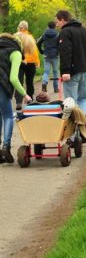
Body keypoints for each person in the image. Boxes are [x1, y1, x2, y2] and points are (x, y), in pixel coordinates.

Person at [55, 10, 86, 115]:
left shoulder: (65, 32)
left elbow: (65, 52)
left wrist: (65, 71)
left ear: (62, 20)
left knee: (70, 101)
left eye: (57, 21)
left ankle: (73, 128)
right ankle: (83, 127)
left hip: (72, 72)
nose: (56, 24)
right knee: (83, 99)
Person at [0, 33, 32, 163]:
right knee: (8, 116)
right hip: (1, 87)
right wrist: (24, 94)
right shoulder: (16, 52)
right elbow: (13, 78)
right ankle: (6, 147)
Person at [14, 20, 40, 110]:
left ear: (19, 27)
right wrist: (37, 61)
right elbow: (34, 51)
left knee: (18, 81)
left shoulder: (15, 37)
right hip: (30, 62)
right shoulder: (30, 37)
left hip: (19, 61)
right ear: (27, 27)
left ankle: (18, 102)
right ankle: (30, 100)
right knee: (30, 82)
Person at [37, 21, 60, 93]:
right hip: (55, 55)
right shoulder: (57, 34)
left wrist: (41, 51)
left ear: (48, 26)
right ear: (55, 26)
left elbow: (38, 43)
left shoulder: (44, 34)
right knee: (55, 72)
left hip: (46, 55)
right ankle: (56, 88)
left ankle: (44, 83)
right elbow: (60, 44)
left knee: (46, 71)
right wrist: (58, 51)